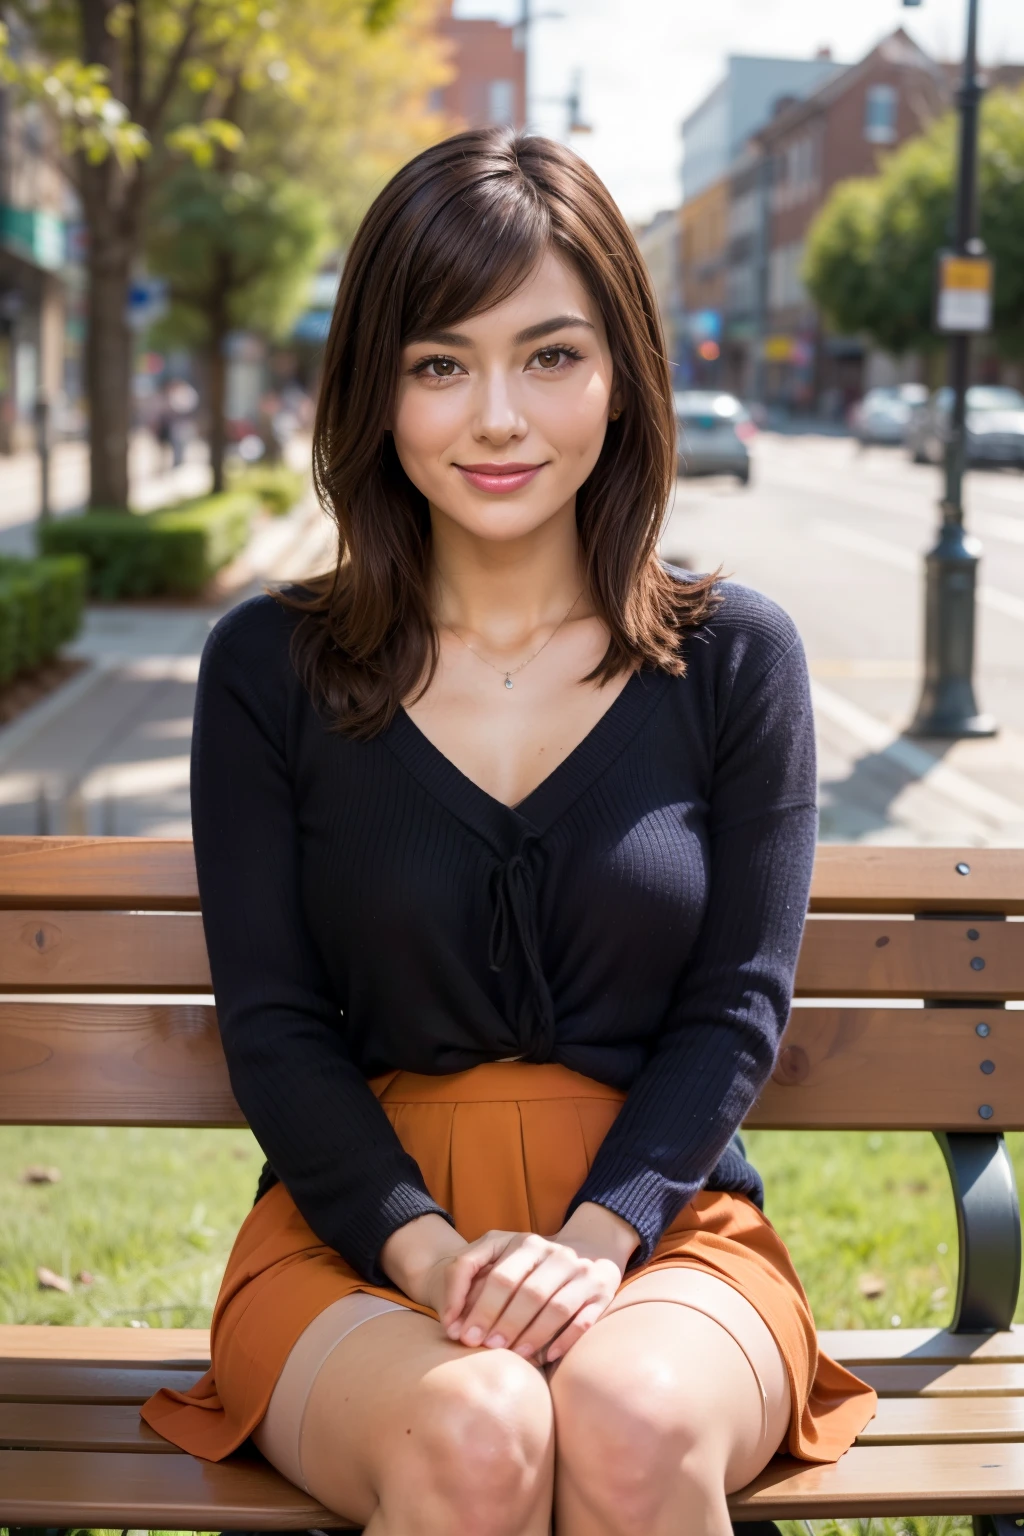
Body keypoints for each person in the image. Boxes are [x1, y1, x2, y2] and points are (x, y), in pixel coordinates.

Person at [142, 128, 876, 1536]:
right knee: (478, 1433)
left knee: (629, 1413)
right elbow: (277, 1022)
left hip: (665, 1234)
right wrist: (430, 1258)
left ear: (621, 377)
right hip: (356, 1235)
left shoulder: (734, 661)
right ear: (378, 388)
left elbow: (735, 1006)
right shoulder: (268, 669)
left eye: (550, 356)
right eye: (439, 363)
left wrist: (596, 1247)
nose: (497, 417)